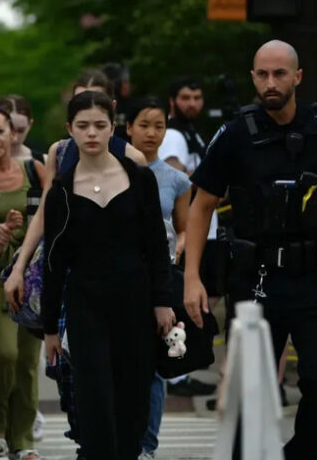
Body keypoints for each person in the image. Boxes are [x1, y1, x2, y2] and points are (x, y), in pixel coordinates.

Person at [184, 40, 317, 460]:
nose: (270, 83)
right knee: (250, 384)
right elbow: (201, 204)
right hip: (256, 277)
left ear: (297, 77)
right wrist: (192, 278)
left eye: (280, 74)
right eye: (262, 74)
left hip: (312, 275)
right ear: (253, 77)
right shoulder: (236, 133)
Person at [43, 90, 175, 460]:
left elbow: (156, 247)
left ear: (113, 128)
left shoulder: (140, 179)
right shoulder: (62, 193)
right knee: (94, 396)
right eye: (82, 126)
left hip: (136, 300)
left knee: (133, 396)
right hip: (86, 304)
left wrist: (162, 301)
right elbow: (53, 262)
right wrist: (50, 327)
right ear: (69, 129)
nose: (92, 134)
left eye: (100, 125)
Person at [0, 106, 45, 460]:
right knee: (5, 353)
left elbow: (55, 211)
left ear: (12, 134)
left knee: (28, 361)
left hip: (31, 277)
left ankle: (23, 438)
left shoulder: (34, 169)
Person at [126, 97, 192, 460]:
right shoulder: (112, 171)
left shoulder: (177, 180)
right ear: (128, 128)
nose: (151, 133)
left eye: (159, 126)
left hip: (160, 281)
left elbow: (185, 229)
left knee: (154, 366)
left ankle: (146, 445)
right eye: (144, 125)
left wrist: (176, 250)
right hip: (119, 279)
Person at [157, 76, 219, 398]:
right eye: (185, 97)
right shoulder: (174, 136)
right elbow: (178, 179)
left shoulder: (192, 132)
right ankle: (175, 374)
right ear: (172, 101)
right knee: (185, 303)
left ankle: (181, 368)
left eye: (197, 97)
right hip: (190, 232)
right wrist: (217, 176)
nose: (192, 103)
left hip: (204, 231)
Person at [0, 94, 45, 163]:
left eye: (21, 131)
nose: (15, 139)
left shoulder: (45, 161)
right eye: (10, 130)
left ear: (30, 125)